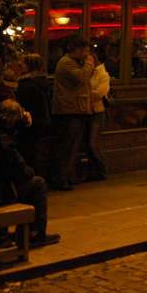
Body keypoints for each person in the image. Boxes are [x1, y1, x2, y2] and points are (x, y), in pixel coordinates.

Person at [0, 100, 60, 246]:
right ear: (11, 121)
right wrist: (31, 171)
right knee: (37, 184)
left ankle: (3, 233)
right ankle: (35, 233)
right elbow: (21, 171)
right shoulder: (2, 141)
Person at [51, 38, 95, 191]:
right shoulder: (67, 63)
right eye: (86, 52)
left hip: (77, 109)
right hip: (69, 111)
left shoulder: (75, 62)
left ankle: (68, 175)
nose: (88, 55)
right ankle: (60, 178)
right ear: (77, 50)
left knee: (74, 145)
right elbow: (81, 77)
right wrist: (90, 63)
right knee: (67, 146)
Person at [14, 53, 53, 178]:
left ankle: (30, 178)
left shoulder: (27, 84)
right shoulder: (42, 82)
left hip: (30, 122)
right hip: (41, 121)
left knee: (28, 152)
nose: (21, 66)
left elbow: (22, 103)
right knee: (36, 152)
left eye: (24, 64)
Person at [84, 54, 110, 182]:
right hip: (86, 111)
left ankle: (102, 169)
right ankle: (92, 171)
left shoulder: (103, 74)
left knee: (93, 143)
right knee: (88, 144)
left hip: (98, 111)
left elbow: (100, 93)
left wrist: (86, 95)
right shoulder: (85, 73)